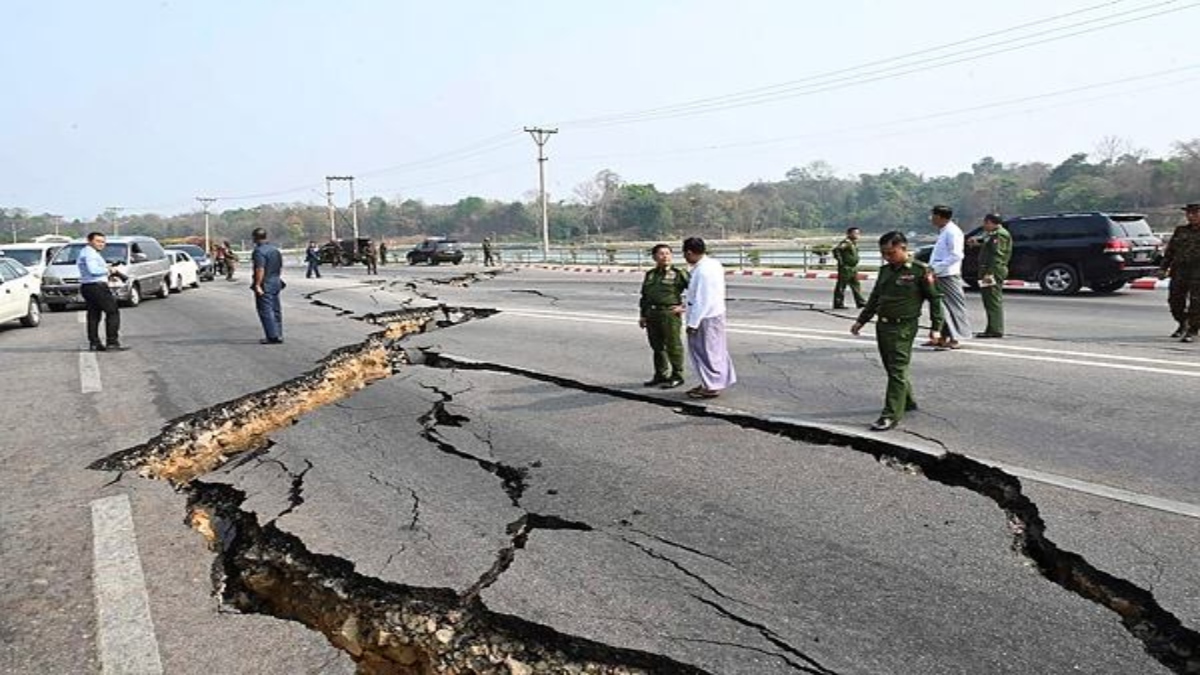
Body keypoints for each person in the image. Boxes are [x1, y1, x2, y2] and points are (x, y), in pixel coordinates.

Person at [851, 231, 943, 432]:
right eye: (883, 253)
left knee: (897, 369)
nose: (887, 257)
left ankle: (891, 414)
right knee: (891, 367)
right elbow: (875, 298)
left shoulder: (920, 270)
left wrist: (936, 328)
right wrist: (861, 321)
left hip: (904, 327)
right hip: (883, 325)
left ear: (903, 248)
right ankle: (907, 401)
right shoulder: (885, 271)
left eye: (891, 253)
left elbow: (935, 299)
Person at [678, 237, 735, 399]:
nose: (685, 258)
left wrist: (693, 323)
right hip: (715, 313)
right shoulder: (712, 264)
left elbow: (703, 300)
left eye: (685, 254)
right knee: (716, 350)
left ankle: (711, 386)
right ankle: (710, 381)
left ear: (689, 252)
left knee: (705, 352)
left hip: (705, 317)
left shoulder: (703, 271)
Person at [639, 244, 689, 389]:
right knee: (657, 347)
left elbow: (695, 290)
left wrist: (684, 306)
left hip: (669, 314)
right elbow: (645, 296)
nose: (665, 256)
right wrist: (643, 315)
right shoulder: (650, 274)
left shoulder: (679, 273)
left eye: (668, 253)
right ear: (654, 257)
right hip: (652, 313)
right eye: (661, 254)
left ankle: (677, 375)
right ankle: (660, 375)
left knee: (673, 346)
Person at [926, 205, 970, 349]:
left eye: (933, 215)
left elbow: (957, 255)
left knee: (953, 306)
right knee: (941, 307)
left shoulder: (952, 232)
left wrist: (937, 268)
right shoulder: (944, 231)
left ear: (939, 217)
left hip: (948, 274)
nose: (931, 218)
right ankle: (942, 337)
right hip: (940, 274)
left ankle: (956, 338)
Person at [77, 232, 127, 351]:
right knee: (112, 312)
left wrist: (108, 274)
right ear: (89, 241)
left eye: (103, 242)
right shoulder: (90, 254)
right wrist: (109, 270)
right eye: (98, 241)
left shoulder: (86, 252)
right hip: (97, 287)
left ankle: (94, 343)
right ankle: (112, 342)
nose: (101, 244)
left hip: (88, 286)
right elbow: (93, 270)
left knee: (94, 315)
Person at [1160, 202, 1200, 343]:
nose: (1191, 216)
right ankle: (1183, 323)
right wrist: (1163, 268)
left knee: (1196, 303)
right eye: (1189, 213)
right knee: (1175, 301)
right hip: (1180, 271)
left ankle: (1193, 330)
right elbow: (1170, 251)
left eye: (1195, 213)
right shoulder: (1181, 230)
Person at [974, 213, 1012, 338]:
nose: (984, 226)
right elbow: (988, 245)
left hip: (993, 271)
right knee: (988, 299)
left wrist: (989, 273)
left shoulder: (1000, 234)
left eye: (985, 223)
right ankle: (991, 327)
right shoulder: (993, 234)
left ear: (990, 222)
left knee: (992, 300)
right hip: (989, 270)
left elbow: (997, 255)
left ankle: (995, 329)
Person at [250, 228, 284, 345]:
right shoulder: (275, 250)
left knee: (265, 310)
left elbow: (260, 269)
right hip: (276, 280)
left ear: (254, 238)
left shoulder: (259, 251)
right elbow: (279, 266)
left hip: (266, 282)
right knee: (276, 309)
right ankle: (278, 333)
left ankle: (272, 336)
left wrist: (257, 285)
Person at [832, 226, 867, 309]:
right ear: (849, 234)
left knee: (856, 285)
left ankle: (860, 302)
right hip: (846, 268)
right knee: (841, 286)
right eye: (855, 233)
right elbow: (836, 250)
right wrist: (841, 262)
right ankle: (838, 303)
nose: (857, 235)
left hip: (853, 267)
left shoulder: (853, 243)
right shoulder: (846, 243)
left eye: (858, 233)